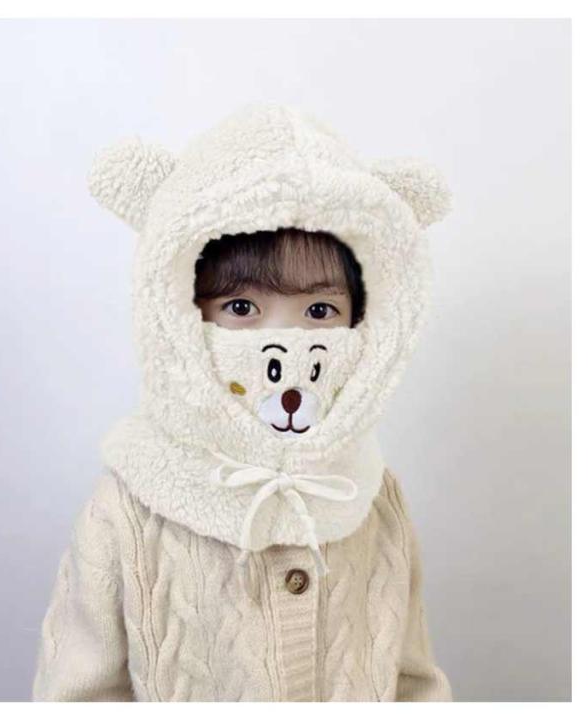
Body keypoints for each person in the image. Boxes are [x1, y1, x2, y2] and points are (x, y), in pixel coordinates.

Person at [32, 103, 453, 702]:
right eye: (240, 308)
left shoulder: (370, 496)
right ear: (180, 315)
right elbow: (78, 696)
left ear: (366, 324)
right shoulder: (127, 510)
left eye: (319, 311)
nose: (285, 341)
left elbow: (415, 682)